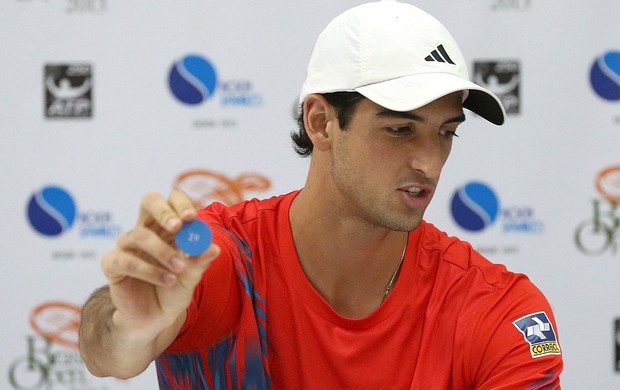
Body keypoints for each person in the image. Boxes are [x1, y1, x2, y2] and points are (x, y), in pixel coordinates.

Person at [78, 1, 563, 388]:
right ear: (320, 123)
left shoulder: (498, 309)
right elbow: (111, 355)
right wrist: (132, 329)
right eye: (399, 129)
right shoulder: (225, 258)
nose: (430, 163)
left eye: (445, 133)